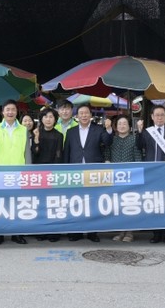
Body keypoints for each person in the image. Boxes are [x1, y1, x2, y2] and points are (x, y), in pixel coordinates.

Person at [63, 103, 112, 242]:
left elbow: (108, 142)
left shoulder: (99, 129)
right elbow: (67, 152)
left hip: (93, 171)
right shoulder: (71, 132)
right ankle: (77, 231)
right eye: (81, 113)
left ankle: (92, 232)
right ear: (77, 116)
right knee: (76, 203)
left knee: (92, 202)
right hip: (75, 172)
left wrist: (108, 129)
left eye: (86, 113)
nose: (84, 115)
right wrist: (66, 170)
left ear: (91, 115)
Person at [0, 99, 31, 245]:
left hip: (19, 171)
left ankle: (16, 233)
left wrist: (28, 169)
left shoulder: (24, 129)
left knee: (17, 203)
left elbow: (27, 152)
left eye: (13, 110)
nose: (10, 112)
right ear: (2, 112)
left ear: (16, 112)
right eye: (8, 110)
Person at [136, 104, 165, 245]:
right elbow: (139, 146)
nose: (159, 117)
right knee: (154, 203)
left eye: (162, 115)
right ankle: (156, 234)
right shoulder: (147, 132)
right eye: (157, 115)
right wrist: (139, 131)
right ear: (152, 117)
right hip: (152, 173)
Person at [105, 114, 142, 243]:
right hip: (115, 178)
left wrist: (137, 175)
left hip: (131, 177)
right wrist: (107, 161)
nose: (122, 126)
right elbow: (107, 154)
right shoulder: (112, 139)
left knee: (129, 205)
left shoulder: (134, 139)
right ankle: (120, 231)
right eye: (119, 124)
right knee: (118, 206)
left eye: (125, 124)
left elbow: (138, 157)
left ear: (130, 127)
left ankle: (130, 232)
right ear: (116, 127)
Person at [31, 107, 63, 242]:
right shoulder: (36, 132)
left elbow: (59, 154)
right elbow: (34, 153)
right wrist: (36, 140)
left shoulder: (59, 135)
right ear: (41, 119)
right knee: (40, 203)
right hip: (38, 172)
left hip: (53, 172)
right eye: (45, 116)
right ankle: (40, 230)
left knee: (53, 203)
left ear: (55, 119)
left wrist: (53, 172)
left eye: (51, 117)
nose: (48, 119)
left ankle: (53, 231)